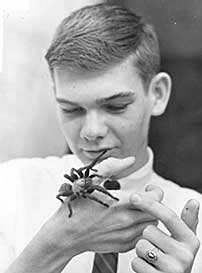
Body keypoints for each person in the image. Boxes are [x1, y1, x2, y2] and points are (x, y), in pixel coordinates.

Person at [0, 3, 201, 273]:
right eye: (71, 109)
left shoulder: (193, 224)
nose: (91, 131)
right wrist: (54, 245)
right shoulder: (11, 189)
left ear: (159, 94)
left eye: (115, 106)